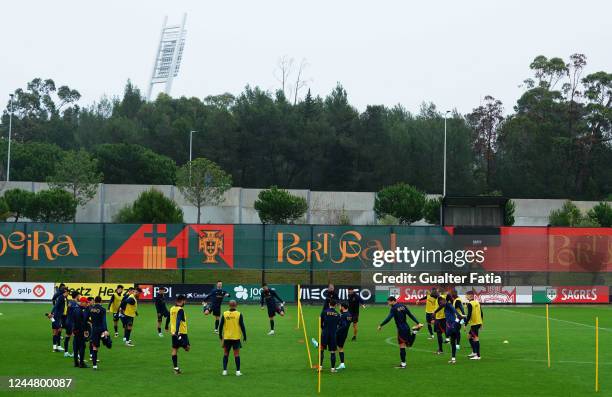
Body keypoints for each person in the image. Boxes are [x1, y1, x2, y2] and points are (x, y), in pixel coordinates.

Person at [377, 296, 423, 369]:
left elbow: (389, 318)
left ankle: (403, 364)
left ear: (393, 301)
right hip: (406, 327)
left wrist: (381, 325)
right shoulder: (403, 306)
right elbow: (410, 315)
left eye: (388, 302)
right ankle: (414, 332)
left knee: (402, 346)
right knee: (409, 345)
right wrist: (418, 322)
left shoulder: (393, 308)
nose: (388, 303)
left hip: (401, 329)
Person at [219, 300, 247, 376]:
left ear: (229, 305)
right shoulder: (239, 314)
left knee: (225, 354)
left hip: (227, 337)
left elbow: (220, 326)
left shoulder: (224, 314)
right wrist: (245, 335)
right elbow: (242, 326)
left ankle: (224, 371)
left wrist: (220, 336)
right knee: (236, 354)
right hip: (236, 338)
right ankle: (238, 371)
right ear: (236, 305)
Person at [434, 294, 462, 364]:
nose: (440, 303)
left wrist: (458, 315)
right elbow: (440, 307)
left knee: (451, 337)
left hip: (451, 325)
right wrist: (435, 312)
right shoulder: (445, 305)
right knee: (453, 342)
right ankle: (453, 358)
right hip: (452, 325)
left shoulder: (448, 305)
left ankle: (454, 344)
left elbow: (454, 309)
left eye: (441, 302)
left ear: (444, 301)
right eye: (439, 302)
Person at [170, 295, 190, 374]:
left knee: (174, 349)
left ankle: (176, 368)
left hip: (173, 332)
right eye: (184, 301)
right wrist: (177, 332)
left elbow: (169, 317)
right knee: (187, 348)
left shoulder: (172, 308)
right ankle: (181, 342)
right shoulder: (180, 310)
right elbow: (178, 320)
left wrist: (166, 326)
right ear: (182, 301)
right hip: (181, 332)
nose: (185, 302)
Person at [319, 299, 341, 373]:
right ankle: (332, 369)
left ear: (329, 304)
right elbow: (339, 325)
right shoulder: (338, 314)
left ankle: (320, 367)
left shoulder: (324, 312)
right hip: (333, 334)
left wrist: (323, 329)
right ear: (335, 305)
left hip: (324, 333)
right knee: (332, 352)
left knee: (321, 350)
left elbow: (320, 322)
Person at [88, 296, 109, 370]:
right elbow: (104, 320)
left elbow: (87, 318)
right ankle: (104, 339)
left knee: (94, 347)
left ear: (95, 301)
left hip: (94, 329)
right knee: (108, 342)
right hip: (101, 329)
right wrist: (106, 330)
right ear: (101, 301)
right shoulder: (103, 309)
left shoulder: (91, 309)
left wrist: (91, 323)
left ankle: (94, 365)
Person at [70, 297, 91, 368]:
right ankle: (81, 363)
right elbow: (83, 322)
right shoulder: (81, 310)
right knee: (82, 346)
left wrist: (72, 330)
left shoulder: (75, 309)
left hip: (75, 330)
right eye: (86, 302)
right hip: (80, 331)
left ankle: (76, 362)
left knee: (75, 347)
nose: (87, 304)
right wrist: (85, 330)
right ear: (82, 302)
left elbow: (72, 320)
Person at [48, 287, 68, 353]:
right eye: (67, 292)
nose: (68, 293)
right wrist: (51, 313)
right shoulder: (61, 298)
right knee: (58, 331)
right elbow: (56, 305)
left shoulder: (63, 298)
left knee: (56, 332)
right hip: (57, 317)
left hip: (56, 316)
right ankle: (57, 347)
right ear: (65, 292)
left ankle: (55, 347)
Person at [465, 290, 483, 360]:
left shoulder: (470, 304)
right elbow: (481, 313)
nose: (465, 296)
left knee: (476, 338)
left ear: (470, 296)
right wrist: (481, 323)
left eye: (466, 295)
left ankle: (478, 356)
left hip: (474, 324)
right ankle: (474, 352)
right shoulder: (477, 302)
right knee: (469, 336)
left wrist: (465, 324)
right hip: (478, 323)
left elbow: (469, 315)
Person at [62, 291, 81, 357]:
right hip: (73, 323)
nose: (80, 296)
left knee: (67, 336)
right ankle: (74, 353)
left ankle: (66, 352)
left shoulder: (70, 302)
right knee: (75, 338)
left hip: (68, 321)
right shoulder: (76, 304)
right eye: (79, 295)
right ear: (76, 296)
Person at [335, 303, 352, 370]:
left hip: (339, 334)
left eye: (340, 306)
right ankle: (342, 364)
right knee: (340, 348)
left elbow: (344, 325)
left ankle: (318, 345)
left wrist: (336, 331)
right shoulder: (349, 315)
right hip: (345, 334)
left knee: (330, 342)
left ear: (343, 307)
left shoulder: (343, 316)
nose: (339, 307)